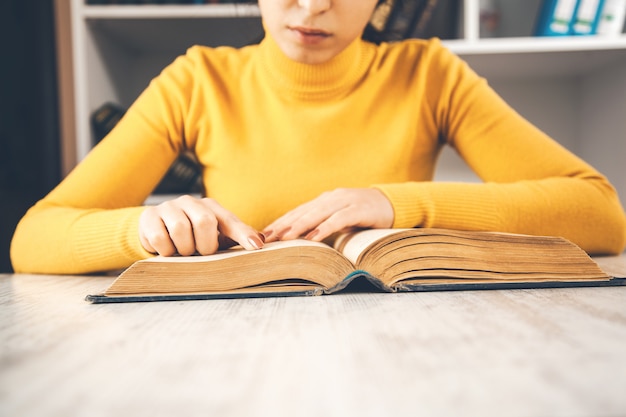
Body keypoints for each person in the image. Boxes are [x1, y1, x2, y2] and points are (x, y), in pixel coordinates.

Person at [10, 0, 626, 274]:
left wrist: (397, 204)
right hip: (226, 356)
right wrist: (141, 228)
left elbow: (601, 212)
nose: (312, 6)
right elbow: (32, 238)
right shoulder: (198, 79)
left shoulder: (428, 74)